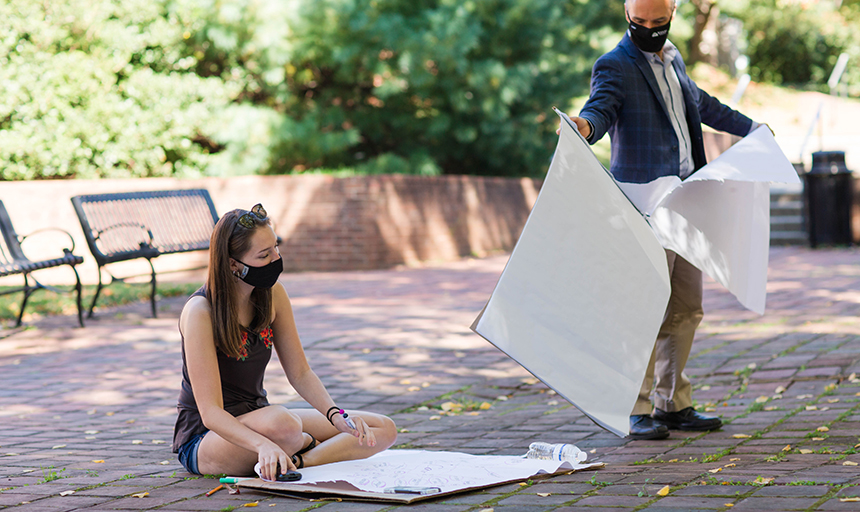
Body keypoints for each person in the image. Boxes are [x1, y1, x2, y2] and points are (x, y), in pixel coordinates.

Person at [567, 0, 763, 440]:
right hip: (644, 205)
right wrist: (585, 126)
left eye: (658, 22)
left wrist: (752, 128)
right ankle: (632, 409)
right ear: (626, 14)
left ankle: (671, 403)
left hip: (687, 202)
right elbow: (601, 107)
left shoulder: (673, 59)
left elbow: (702, 105)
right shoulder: (614, 64)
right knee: (643, 305)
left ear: (672, 13)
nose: (649, 29)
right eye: (639, 22)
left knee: (685, 307)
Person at [172, 204, 397, 480]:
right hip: (207, 438)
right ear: (233, 264)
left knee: (382, 429)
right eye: (264, 255)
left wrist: (336, 414)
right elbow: (211, 413)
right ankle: (294, 446)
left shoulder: (272, 294)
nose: (275, 259)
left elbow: (301, 373)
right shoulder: (200, 312)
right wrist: (262, 444)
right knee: (285, 425)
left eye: (276, 248)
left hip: (265, 420)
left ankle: (300, 461)